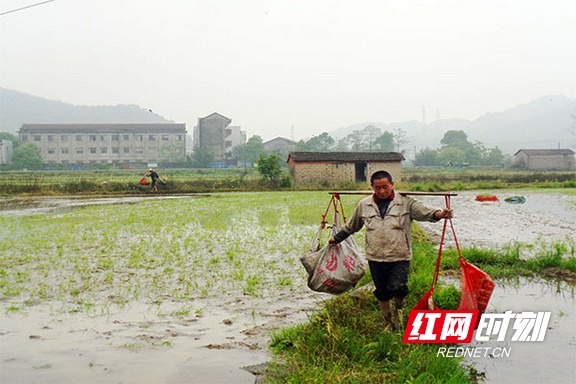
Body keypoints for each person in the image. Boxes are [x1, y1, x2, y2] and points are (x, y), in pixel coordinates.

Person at [329, 170, 452, 330]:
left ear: (392, 185)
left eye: (385, 187)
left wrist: (441, 214)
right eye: (377, 188)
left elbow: (427, 213)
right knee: (382, 291)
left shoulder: (406, 202)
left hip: (399, 256)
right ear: (372, 187)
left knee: (397, 287)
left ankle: (399, 309)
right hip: (375, 256)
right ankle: (388, 322)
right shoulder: (364, 205)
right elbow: (352, 226)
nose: (381, 191)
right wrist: (336, 239)